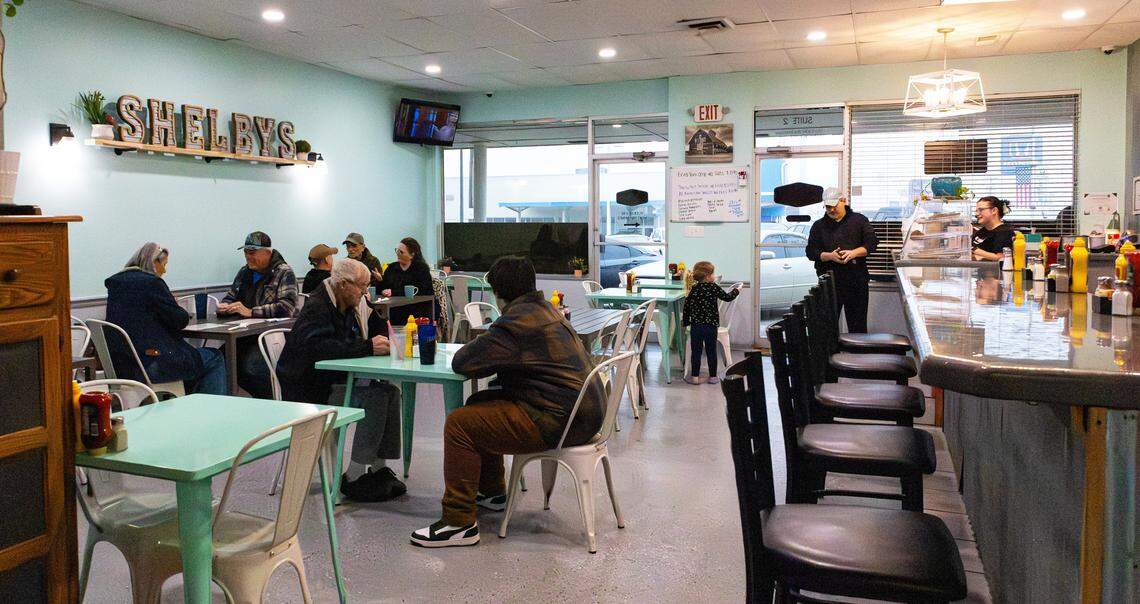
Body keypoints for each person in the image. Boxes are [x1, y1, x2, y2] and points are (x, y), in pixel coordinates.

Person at [410, 256, 604, 548]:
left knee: (460, 424)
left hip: (559, 421)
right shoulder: (545, 310)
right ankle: (493, 492)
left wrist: (492, 331)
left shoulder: (516, 322)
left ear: (499, 292)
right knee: (478, 403)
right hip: (584, 413)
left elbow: (463, 362)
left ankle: (458, 521)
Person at [276, 259, 406, 502]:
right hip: (308, 388)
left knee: (390, 391)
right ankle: (354, 475)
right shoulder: (317, 306)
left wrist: (380, 336)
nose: (366, 292)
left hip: (330, 378)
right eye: (362, 286)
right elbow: (318, 347)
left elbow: (375, 324)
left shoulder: (346, 299)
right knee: (376, 397)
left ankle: (379, 466)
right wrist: (367, 346)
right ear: (344, 284)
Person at [104, 243, 226, 394]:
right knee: (214, 357)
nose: (165, 270)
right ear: (154, 262)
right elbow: (180, 320)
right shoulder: (152, 283)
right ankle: (213, 411)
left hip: (123, 364)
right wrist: (174, 304)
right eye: (164, 264)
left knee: (196, 363)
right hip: (153, 363)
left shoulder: (116, 284)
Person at [217, 231, 297, 398]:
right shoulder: (244, 272)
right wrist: (224, 306)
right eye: (245, 252)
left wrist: (251, 312)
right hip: (243, 335)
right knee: (220, 361)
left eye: (252, 252)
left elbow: (287, 307)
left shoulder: (283, 272)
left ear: (267, 252)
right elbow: (231, 296)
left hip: (271, 337)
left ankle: (276, 400)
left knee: (251, 367)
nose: (248, 256)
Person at [805, 189, 878, 333]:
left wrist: (854, 253)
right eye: (827, 207)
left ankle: (857, 355)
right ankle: (830, 355)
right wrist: (830, 256)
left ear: (843, 201)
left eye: (834, 205)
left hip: (856, 281)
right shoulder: (818, 226)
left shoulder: (859, 220)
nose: (831, 210)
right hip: (828, 283)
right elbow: (810, 252)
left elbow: (872, 243)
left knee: (857, 326)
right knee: (826, 328)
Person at [681, 261, 741, 385]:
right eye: (713, 273)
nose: (714, 276)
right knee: (711, 351)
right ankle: (713, 377)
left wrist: (686, 322)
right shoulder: (713, 287)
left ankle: (695, 378)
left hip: (696, 326)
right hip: (711, 326)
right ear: (708, 276)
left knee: (696, 352)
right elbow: (727, 297)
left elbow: (686, 307)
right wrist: (736, 291)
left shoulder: (694, 288)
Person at [379, 237, 435, 327]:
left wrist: (394, 292)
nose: (398, 254)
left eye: (401, 252)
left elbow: (424, 290)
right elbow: (384, 286)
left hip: (417, 310)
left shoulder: (421, 269)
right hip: (395, 309)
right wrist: (379, 282)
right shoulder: (391, 268)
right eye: (397, 251)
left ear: (412, 255)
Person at [971, 196, 1015, 263]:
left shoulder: (1004, 232)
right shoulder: (982, 231)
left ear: (994, 210)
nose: (976, 214)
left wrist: (974, 250)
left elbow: (1002, 258)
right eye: (976, 211)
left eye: (980, 210)